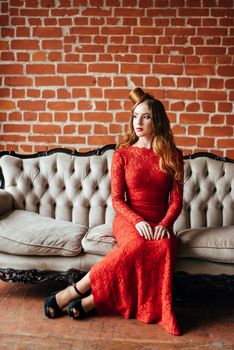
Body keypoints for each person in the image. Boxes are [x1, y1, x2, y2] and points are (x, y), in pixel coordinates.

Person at [44, 87, 184, 336]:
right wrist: (138, 220)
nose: (138, 122)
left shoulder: (173, 156)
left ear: (158, 120)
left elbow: (176, 201)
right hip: (129, 219)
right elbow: (118, 200)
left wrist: (164, 224)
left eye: (146, 116)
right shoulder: (123, 154)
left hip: (160, 222)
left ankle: (91, 301)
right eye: (135, 116)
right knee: (137, 247)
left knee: (161, 248)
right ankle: (76, 290)